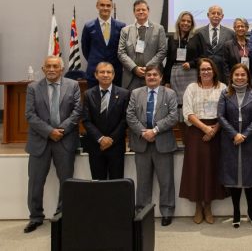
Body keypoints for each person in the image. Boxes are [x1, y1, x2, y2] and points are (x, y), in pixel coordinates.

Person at [24, 56, 81, 233]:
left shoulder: (73, 85)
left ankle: (62, 215)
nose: (51, 69)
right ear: (42, 69)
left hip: (64, 140)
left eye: (55, 66)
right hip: (40, 141)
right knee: (35, 181)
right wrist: (49, 131)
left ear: (61, 69)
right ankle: (35, 217)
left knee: (66, 181)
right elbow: (30, 114)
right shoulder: (33, 87)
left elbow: (77, 111)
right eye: (48, 66)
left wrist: (60, 130)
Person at [126, 64, 178, 227]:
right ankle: (142, 212)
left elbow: (173, 116)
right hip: (141, 143)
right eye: (149, 75)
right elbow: (130, 115)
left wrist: (154, 131)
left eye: (155, 75)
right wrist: (143, 132)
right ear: (145, 77)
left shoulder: (169, 93)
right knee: (143, 181)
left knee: (166, 180)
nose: (152, 77)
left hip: (162, 143)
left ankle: (167, 211)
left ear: (161, 77)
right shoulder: (135, 93)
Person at [179, 58, 228, 224]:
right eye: (202, 69)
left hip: (217, 131)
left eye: (209, 69)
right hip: (195, 132)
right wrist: (205, 128)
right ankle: (198, 206)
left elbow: (227, 112)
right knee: (196, 169)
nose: (206, 72)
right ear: (198, 72)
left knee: (212, 169)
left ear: (214, 71)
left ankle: (208, 206)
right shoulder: (191, 88)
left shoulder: (223, 88)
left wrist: (214, 129)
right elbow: (187, 112)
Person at [218, 63, 252, 228]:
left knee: (249, 178)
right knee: (234, 178)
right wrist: (235, 134)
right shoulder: (224, 93)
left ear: (248, 77)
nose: (239, 77)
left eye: (242, 75)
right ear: (231, 76)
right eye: (236, 75)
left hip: (250, 140)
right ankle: (236, 212)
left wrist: (244, 134)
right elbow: (220, 116)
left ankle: (251, 212)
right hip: (230, 140)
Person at [82, 61, 130, 180]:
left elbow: (125, 120)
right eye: (102, 72)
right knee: (98, 184)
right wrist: (101, 139)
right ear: (96, 75)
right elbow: (86, 120)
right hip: (95, 146)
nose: (105, 75)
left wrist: (111, 139)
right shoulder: (88, 94)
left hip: (116, 146)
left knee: (116, 183)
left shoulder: (124, 94)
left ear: (113, 75)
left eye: (108, 72)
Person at [118, 0, 167, 90]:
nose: (141, 12)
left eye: (143, 10)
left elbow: (162, 51)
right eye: (138, 10)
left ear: (148, 11)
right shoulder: (125, 30)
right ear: (134, 12)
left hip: (152, 75)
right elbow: (121, 53)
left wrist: (148, 68)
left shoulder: (159, 29)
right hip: (131, 76)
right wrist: (134, 68)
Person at [81, 0, 126, 87]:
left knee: (115, 101)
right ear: (97, 6)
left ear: (112, 7)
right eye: (102, 5)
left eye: (108, 5)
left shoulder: (121, 27)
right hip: (95, 72)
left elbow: (123, 49)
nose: (105, 8)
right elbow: (86, 49)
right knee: (93, 99)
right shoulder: (89, 26)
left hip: (115, 73)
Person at [163, 11, 198, 113]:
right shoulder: (172, 38)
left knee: (190, 102)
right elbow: (169, 61)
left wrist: (191, 64)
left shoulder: (196, 37)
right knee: (176, 103)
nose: (186, 23)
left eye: (189, 21)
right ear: (179, 22)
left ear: (192, 24)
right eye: (183, 20)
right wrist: (167, 81)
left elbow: (203, 57)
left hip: (191, 73)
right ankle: (179, 125)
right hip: (175, 74)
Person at [192, 5, 235, 83]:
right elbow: (195, 53)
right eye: (213, 13)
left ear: (222, 16)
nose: (216, 16)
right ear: (208, 15)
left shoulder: (230, 33)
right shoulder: (198, 32)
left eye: (218, 14)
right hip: (204, 71)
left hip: (223, 72)